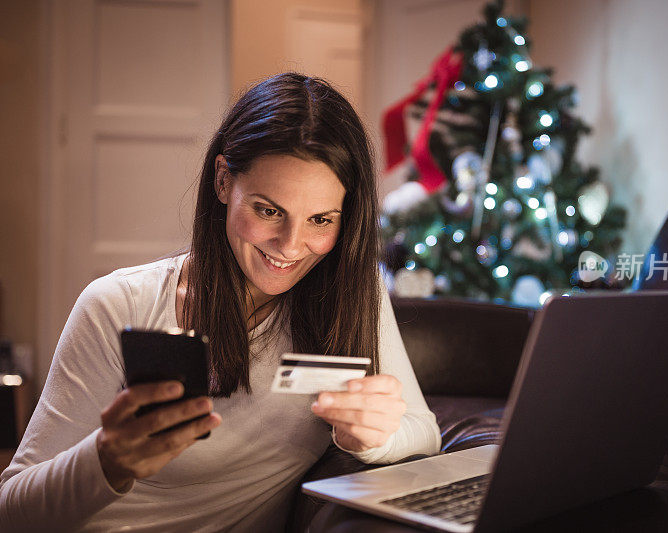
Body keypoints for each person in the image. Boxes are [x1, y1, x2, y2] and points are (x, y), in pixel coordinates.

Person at [0, 73, 441, 531]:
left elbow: (424, 434)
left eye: (320, 220)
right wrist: (105, 461)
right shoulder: (117, 304)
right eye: (269, 211)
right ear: (223, 180)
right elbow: (10, 509)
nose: (290, 246)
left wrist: (371, 438)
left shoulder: (350, 295)